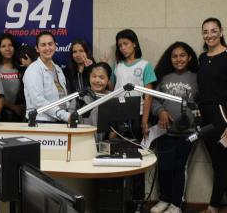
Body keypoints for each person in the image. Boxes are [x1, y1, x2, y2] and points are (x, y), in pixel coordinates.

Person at [197, 18, 227, 213]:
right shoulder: (202, 58)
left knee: (221, 163)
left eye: (213, 31)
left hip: (225, 118)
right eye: (206, 32)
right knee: (220, 163)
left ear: (221, 32)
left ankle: (213, 206)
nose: (210, 35)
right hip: (206, 119)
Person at [111, 29, 157, 213]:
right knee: (116, 158)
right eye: (120, 45)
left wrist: (144, 121)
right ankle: (120, 199)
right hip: (119, 117)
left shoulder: (145, 65)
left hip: (137, 118)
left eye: (126, 44)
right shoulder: (117, 66)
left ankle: (138, 200)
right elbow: (111, 89)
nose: (123, 48)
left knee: (137, 160)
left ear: (134, 44)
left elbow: (148, 96)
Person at [150, 42, 199, 213]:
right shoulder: (163, 76)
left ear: (189, 57)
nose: (178, 59)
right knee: (164, 166)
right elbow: (153, 100)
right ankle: (164, 199)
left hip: (188, 133)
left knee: (179, 167)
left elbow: (202, 102)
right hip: (165, 131)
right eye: (174, 56)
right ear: (170, 59)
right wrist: (161, 112)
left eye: (182, 55)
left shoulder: (196, 77)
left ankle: (176, 204)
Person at [23, 31, 70, 123]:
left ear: (55, 46)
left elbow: (62, 96)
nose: (47, 48)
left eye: (50, 44)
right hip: (41, 121)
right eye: (43, 45)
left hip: (59, 120)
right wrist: (65, 116)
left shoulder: (58, 69)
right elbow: (38, 101)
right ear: (37, 49)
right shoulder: (33, 70)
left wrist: (69, 111)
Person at [69, 62, 112, 141]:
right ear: (89, 77)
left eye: (101, 77)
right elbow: (70, 122)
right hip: (81, 142)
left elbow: (116, 127)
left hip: (105, 145)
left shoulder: (112, 98)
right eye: (94, 76)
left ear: (108, 80)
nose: (97, 80)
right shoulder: (80, 98)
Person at [0, 33, 24, 122]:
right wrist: (13, 107)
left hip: (18, 115)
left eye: (10, 45)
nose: (7, 49)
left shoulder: (21, 68)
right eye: (3, 46)